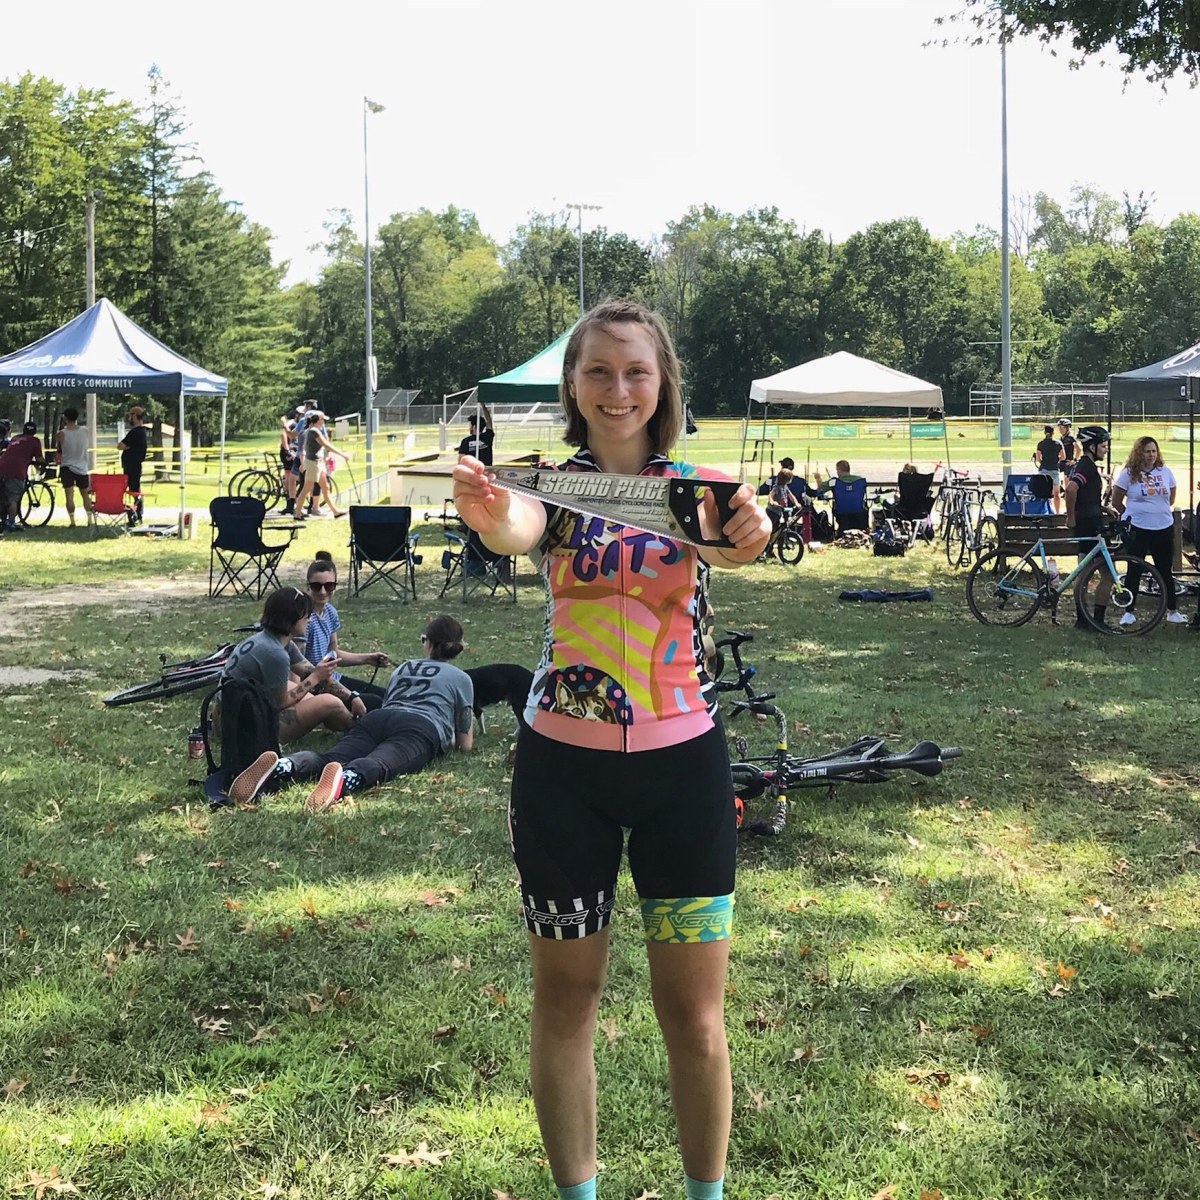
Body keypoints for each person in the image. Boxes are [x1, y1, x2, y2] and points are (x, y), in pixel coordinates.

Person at [453, 299, 771, 1200]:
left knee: (696, 1018)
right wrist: (487, 514)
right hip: (564, 772)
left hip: (685, 773)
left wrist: (755, 532)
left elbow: (741, 541)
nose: (618, 389)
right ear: (574, 385)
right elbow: (517, 528)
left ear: (662, 381)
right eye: (599, 371)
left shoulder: (695, 485)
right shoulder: (549, 485)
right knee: (565, 1001)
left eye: (636, 371)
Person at [229, 614, 473, 813]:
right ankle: (345, 780)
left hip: (379, 718)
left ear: (428, 643)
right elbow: (465, 744)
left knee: (329, 757)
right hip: (419, 727)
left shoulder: (404, 668)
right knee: (381, 762)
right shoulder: (462, 679)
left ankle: (282, 766)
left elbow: (389, 701)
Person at [221, 587, 355, 744]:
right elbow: (280, 703)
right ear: (291, 618)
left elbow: (308, 671)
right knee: (330, 703)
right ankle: (358, 728)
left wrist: (352, 697)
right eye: (307, 615)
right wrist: (315, 677)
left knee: (310, 697)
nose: (310, 619)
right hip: (241, 730)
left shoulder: (271, 639)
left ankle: (339, 720)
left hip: (229, 715)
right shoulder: (275, 654)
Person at [1111, 436, 1187, 626]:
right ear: (1139, 453)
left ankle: (1172, 610)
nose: (1151, 455)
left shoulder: (1165, 471)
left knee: (1164, 570)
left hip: (1163, 527)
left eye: (1154, 451)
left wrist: (1157, 511)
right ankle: (1129, 611)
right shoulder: (1129, 473)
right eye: (1147, 451)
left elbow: (1171, 497)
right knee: (1134, 568)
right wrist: (1131, 515)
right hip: (1138, 529)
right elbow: (1116, 501)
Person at [300, 551, 392, 706]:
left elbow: (333, 654)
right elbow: (298, 668)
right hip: (314, 686)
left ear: (336, 585)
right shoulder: (303, 619)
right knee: (375, 703)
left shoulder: (330, 612)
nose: (323, 592)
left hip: (332, 679)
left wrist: (368, 658)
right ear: (307, 586)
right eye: (316, 586)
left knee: (387, 696)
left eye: (329, 586)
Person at [1064, 425, 1118, 631]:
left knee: (1086, 573)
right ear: (1092, 446)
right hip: (1089, 526)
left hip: (1090, 521)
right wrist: (1070, 517)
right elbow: (1071, 489)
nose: (1106, 449)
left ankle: (1084, 619)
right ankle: (1095, 619)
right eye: (1103, 446)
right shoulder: (1087, 466)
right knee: (1106, 574)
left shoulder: (1085, 465)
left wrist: (1104, 507)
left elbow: (1085, 496)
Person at [294, 411, 348, 520]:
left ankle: (335, 511)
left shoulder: (312, 430)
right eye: (323, 420)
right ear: (318, 420)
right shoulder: (314, 431)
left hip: (319, 463)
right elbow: (326, 444)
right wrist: (342, 455)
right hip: (314, 464)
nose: (324, 422)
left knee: (326, 487)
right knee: (306, 489)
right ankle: (297, 513)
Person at [0, 420, 46, 533]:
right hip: (16, 471)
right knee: (13, 499)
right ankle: (11, 523)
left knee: (3, 496)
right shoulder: (35, 441)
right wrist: (45, 465)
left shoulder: (15, 438)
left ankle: (4, 521)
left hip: (1, 467)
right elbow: (39, 458)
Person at [56, 407, 94, 528]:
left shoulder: (61, 434)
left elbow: (59, 449)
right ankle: (89, 520)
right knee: (85, 494)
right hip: (82, 466)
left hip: (67, 465)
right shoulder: (85, 431)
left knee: (69, 495)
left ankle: (72, 521)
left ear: (65, 418)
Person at [813, 459, 868, 533]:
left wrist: (818, 478)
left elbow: (820, 490)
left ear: (838, 470)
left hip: (841, 513)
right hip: (859, 513)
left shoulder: (834, 481)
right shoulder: (860, 480)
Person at [117, 406, 149, 525]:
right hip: (134, 466)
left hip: (132, 467)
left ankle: (136, 514)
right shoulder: (142, 431)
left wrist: (127, 447)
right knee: (135, 490)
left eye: (130, 415)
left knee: (134, 491)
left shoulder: (135, 432)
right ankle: (137, 513)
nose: (129, 418)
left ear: (135, 416)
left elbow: (120, 446)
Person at [1034, 424, 1064, 514]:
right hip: (1054, 469)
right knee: (1056, 493)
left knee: (1044, 493)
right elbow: (1063, 456)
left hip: (1043, 470)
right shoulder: (1058, 443)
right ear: (1053, 433)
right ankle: (1057, 512)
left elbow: (1038, 458)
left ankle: (1046, 511)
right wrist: (1056, 460)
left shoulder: (1041, 444)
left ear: (1044, 432)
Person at [456, 399, 496, 466]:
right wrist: (483, 406)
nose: (469, 428)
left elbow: (461, 460)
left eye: (470, 426)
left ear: (474, 427)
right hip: (486, 470)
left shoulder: (466, 441)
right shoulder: (488, 437)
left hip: (473, 472)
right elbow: (489, 420)